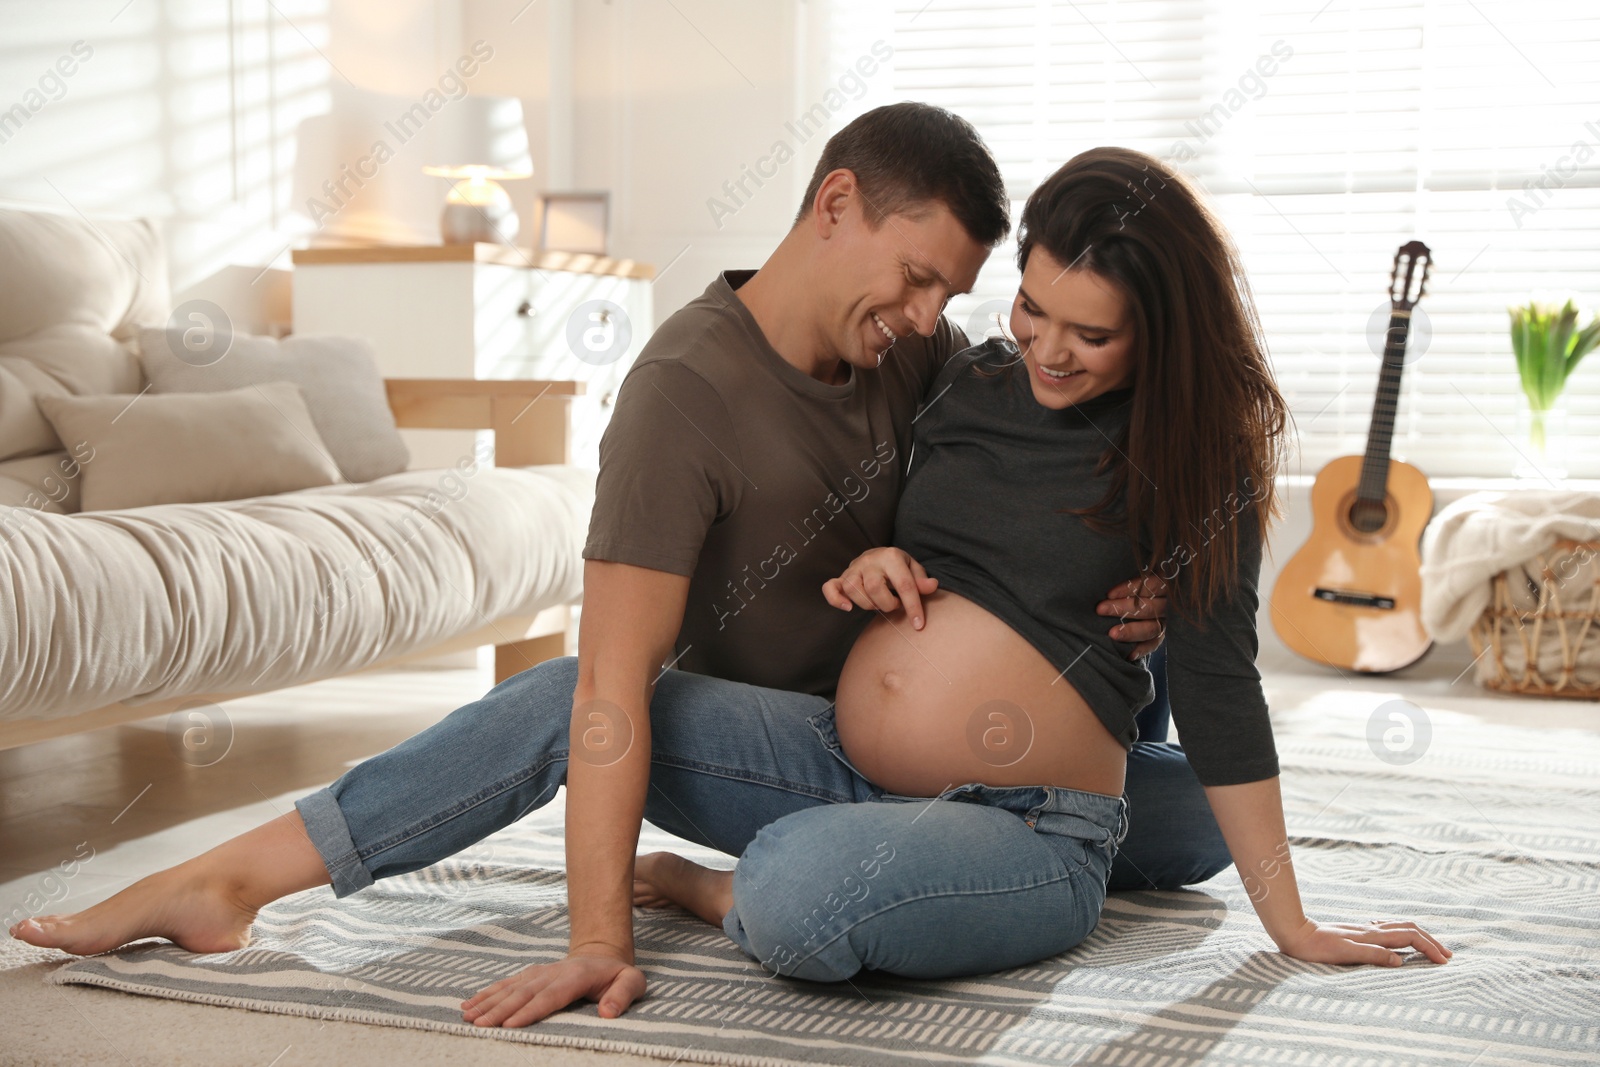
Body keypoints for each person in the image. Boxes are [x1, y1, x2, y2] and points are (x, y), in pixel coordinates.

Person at [12, 108, 1232, 1025]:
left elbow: (1042, 472)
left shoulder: (910, 355)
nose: (929, 317)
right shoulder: (682, 396)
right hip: (791, 752)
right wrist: (597, 933)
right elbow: (605, 689)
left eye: (948, 294)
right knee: (564, 705)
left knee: (1187, 818)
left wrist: (1159, 582)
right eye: (915, 280)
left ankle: (997, 839)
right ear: (834, 204)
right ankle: (224, 878)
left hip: (953, 759)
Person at [582, 146, 1454, 999]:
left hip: (1038, 820)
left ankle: (723, 888)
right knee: (583, 708)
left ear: (1161, 330)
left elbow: (1219, 681)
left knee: (793, 896)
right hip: (860, 766)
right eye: (1034, 309)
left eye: (1094, 333)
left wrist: (1293, 924)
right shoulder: (966, 381)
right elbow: (921, 523)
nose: (1049, 351)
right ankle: (893, 853)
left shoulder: (1198, 454)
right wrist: (876, 562)